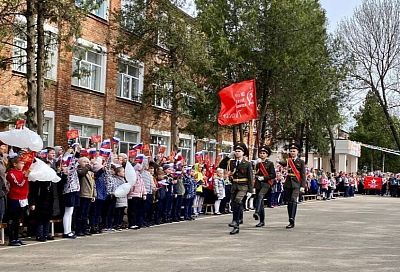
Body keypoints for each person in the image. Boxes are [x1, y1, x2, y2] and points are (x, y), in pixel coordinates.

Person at [227, 143, 253, 235]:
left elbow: (250, 177)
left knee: (238, 201)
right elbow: (222, 166)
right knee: (234, 204)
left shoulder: (247, 163)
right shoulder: (231, 162)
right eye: (236, 151)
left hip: (243, 186)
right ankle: (236, 224)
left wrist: (250, 190)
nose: (237, 153)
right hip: (234, 185)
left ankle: (235, 221)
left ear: (243, 153)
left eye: (239, 151)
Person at [279, 141, 306, 229]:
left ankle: (292, 219)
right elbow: (282, 163)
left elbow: (303, 174)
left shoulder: (301, 162)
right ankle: (290, 217)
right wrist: (279, 159)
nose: (292, 152)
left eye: (294, 151)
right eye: (291, 151)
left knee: (293, 199)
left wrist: (302, 186)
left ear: (297, 152)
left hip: (296, 184)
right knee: (289, 202)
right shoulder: (288, 161)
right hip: (288, 183)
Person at [6, 155, 30, 246]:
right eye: (21, 163)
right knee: (14, 219)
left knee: (19, 220)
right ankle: (12, 239)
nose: (23, 164)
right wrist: (25, 177)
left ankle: (16, 238)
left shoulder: (22, 172)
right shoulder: (11, 173)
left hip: (23, 198)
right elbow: (19, 184)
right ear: (15, 164)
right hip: (15, 199)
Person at [253, 145, 276, 227]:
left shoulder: (270, 163)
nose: (262, 155)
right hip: (258, 183)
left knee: (260, 196)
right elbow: (253, 172)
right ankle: (262, 221)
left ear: (267, 155)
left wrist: (264, 177)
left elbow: (273, 175)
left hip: (266, 183)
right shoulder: (257, 163)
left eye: (264, 153)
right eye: (261, 153)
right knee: (260, 201)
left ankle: (256, 212)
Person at [0, 141, 8, 223]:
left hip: (3, 189)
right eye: (2, 147)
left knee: (2, 213)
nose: (4, 149)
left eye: (4, 147)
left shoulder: (4, 158)